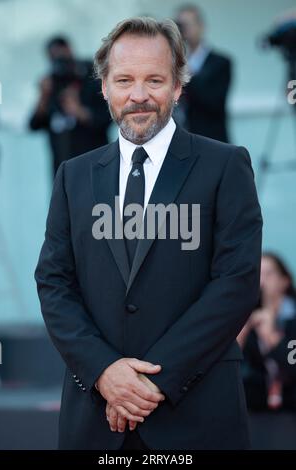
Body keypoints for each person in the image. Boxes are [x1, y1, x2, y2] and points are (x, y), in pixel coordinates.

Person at [35, 17, 262, 450]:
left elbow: (235, 284)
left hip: (198, 418)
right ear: (104, 87)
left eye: (154, 79)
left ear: (178, 86)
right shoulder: (73, 176)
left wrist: (146, 382)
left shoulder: (225, 165)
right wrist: (105, 373)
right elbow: (53, 283)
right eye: (124, 80)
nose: (138, 95)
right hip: (94, 421)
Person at [29, 36, 111, 175]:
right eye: (53, 58)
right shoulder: (51, 85)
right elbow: (34, 125)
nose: (59, 62)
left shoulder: (92, 77)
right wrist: (43, 96)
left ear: (69, 50)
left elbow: (108, 119)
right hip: (62, 171)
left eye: (61, 56)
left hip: (95, 169)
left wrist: (79, 111)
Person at [238, 253, 296, 411]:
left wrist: (270, 336)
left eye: (268, 273)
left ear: (285, 281)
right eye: (257, 273)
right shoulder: (242, 318)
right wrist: (244, 327)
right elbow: (227, 369)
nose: (261, 280)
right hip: (254, 411)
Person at [175, 5, 232, 142]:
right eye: (180, 26)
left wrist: (186, 71)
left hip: (211, 139)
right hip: (180, 140)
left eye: (187, 25)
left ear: (201, 26)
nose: (184, 31)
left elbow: (215, 103)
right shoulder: (173, 61)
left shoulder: (221, 62)